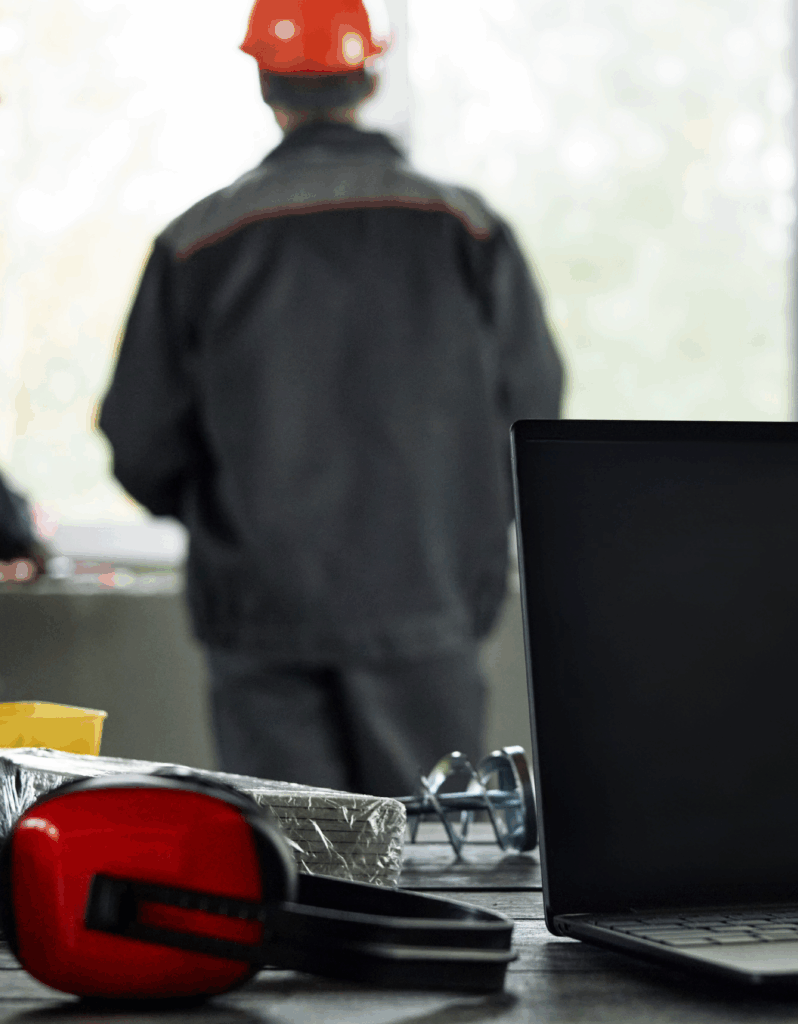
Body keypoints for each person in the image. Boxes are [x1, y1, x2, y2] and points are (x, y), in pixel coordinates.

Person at [99, 0, 564, 797]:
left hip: (261, 607)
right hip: (429, 599)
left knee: (293, 867)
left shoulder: (198, 242)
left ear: (262, 82)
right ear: (370, 72)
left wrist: (233, 521)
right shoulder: (468, 230)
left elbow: (141, 439)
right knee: (432, 861)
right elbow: (532, 412)